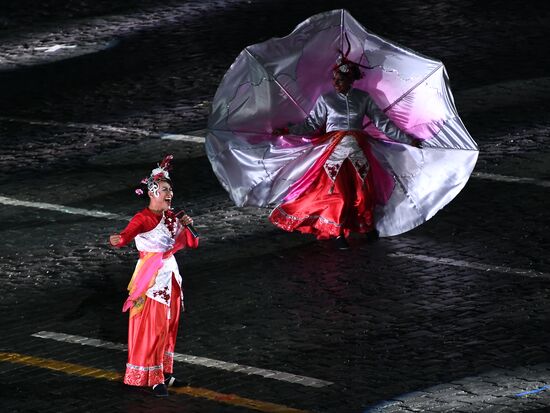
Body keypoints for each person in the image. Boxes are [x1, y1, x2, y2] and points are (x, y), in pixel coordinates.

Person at [270, 56, 422, 250]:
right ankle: (337, 232)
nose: (335, 83)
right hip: (333, 152)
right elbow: (312, 124)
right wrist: (288, 130)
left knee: (363, 192)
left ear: (351, 80)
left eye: (340, 80)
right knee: (338, 194)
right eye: (333, 79)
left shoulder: (363, 98)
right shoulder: (326, 99)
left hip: (359, 151)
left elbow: (383, 123)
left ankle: (365, 226)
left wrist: (408, 140)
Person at [109, 155, 199, 397]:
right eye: (165, 190)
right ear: (152, 192)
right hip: (151, 278)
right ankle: (152, 376)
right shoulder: (143, 218)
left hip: (171, 276)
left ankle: (165, 373)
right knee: (153, 327)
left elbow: (193, 243)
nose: (170, 194)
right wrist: (120, 240)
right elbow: (128, 234)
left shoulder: (172, 217)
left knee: (170, 326)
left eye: (171, 190)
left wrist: (188, 224)